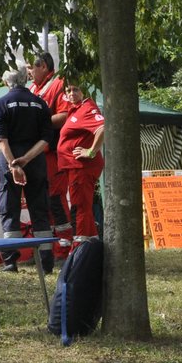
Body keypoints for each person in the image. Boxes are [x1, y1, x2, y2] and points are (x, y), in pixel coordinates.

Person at [0, 67, 55, 273]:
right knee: (40, 208)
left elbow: (1, 139)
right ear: (25, 79)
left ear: (5, 82)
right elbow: (46, 138)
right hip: (35, 160)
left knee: (9, 208)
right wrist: (26, 159)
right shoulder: (40, 103)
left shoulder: (1, 103)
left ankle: (10, 260)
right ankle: (46, 262)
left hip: (10, 158)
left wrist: (14, 164)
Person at [28, 50, 74, 254]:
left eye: (31, 67)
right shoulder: (31, 89)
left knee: (55, 198)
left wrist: (37, 124)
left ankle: (65, 245)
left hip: (53, 153)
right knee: (40, 200)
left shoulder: (58, 84)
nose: (28, 71)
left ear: (44, 67)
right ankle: (46, 247)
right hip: (35, 154)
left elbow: (64, 115)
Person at [56, 79, 106, 242]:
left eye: (75, 90)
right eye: (68, 91)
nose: (71, 93)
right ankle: (91, 244)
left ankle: (79, 248)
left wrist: (91, 151)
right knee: (83, 207)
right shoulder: (75, 109)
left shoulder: (87, 108)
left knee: (79, 207)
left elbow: (102, 127)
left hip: (81, 167)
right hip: (75, 167)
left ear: (83, 91)